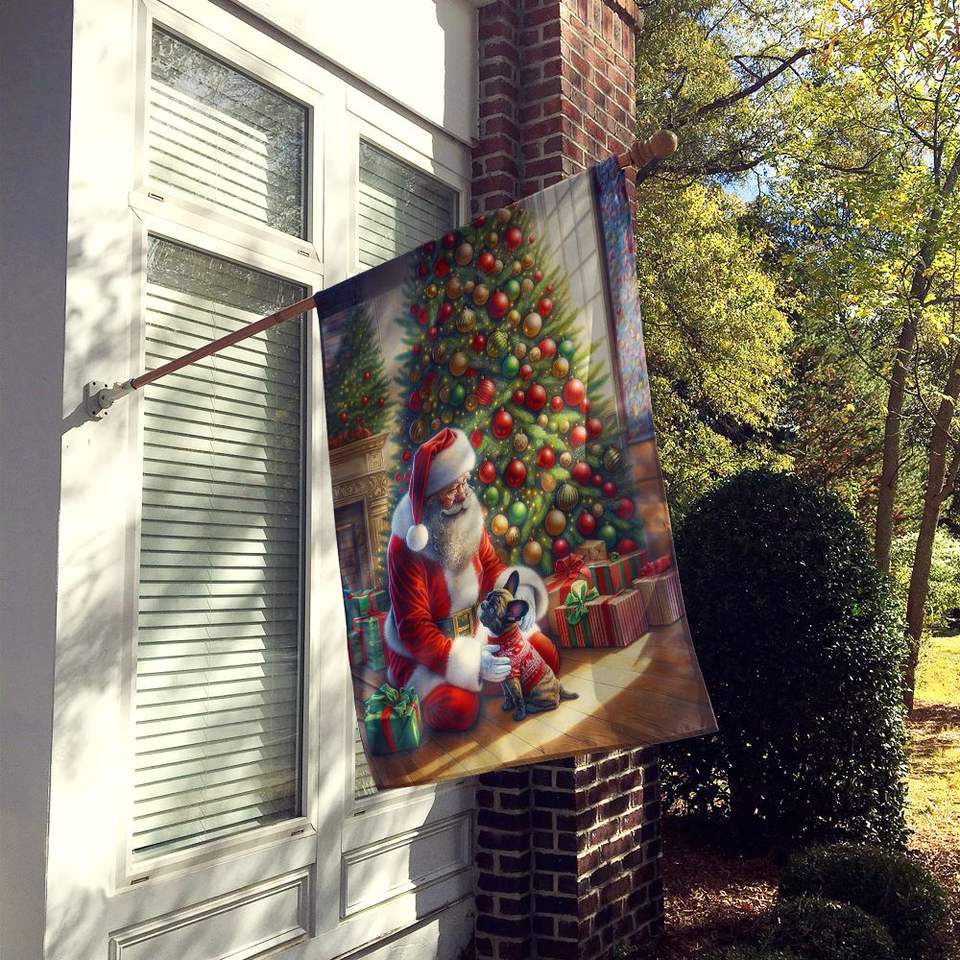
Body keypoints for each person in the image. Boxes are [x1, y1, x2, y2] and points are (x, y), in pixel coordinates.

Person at [382, 427, 559, 732]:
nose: (463, 495)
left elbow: (490, 567)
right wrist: (474, 662)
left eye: (464, 482)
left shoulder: (467, 515)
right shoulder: (405, 546)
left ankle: (492, 682)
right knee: (459, 711)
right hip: (427, 653)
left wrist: (519, 598)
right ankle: (472, 686)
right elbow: (415, 631)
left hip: (480, 628)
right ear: (430, 498)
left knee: (545, 656)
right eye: (452, 489)